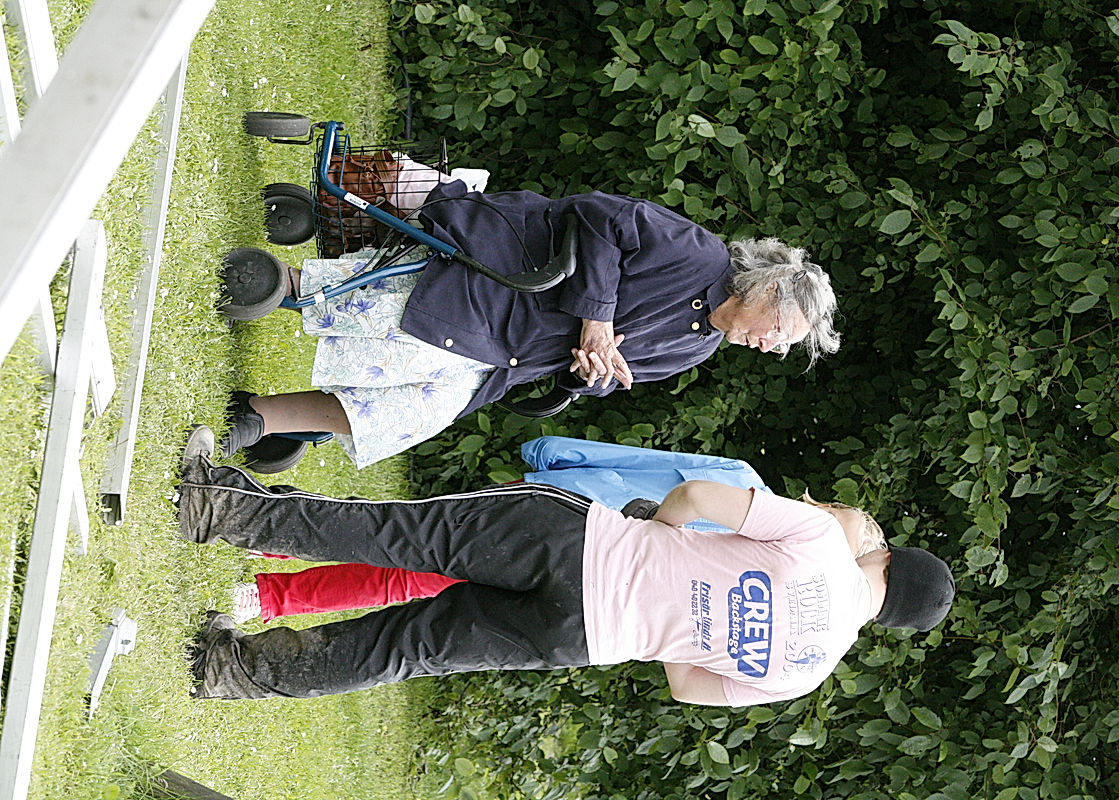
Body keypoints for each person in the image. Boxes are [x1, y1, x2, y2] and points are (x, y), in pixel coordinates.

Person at [180, 427, 954, 706]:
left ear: (884, 558)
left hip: (579, 545)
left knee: (396, 534)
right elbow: (687, 685)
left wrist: (663, 532)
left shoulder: (824, 543)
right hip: (582, 637)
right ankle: (229, 670)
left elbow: (701, 493)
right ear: (888, 622)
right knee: (405, 650)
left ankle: (220, 509)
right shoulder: (805, 672)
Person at [221, 168, 841, 468]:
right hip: (509, 272)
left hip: (515, 351)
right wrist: (596, 321)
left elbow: (598, 376)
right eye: (781, 333)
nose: (772, 348)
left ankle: (258, 417)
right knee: (415, 335)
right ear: (768, 290)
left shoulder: (697, 349)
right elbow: (599, 215)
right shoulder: (695, 251)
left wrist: (586, 372)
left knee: (420, 410)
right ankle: (279, 285)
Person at [229, 436, 778, 623]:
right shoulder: (742, 483)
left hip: (581, 581)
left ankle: (269, 592)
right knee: (400, 532)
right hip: (553, 511)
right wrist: (555, 458)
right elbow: (637, 461)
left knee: (413, 579)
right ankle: (269, 535)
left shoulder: (767, 579)